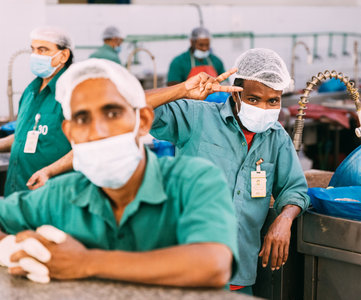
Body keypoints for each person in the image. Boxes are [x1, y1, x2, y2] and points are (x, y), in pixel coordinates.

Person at [0, 59, 238, 287]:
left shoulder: (193, 181)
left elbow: (213, 264)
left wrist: (85, 262)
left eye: (112, 114)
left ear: (143, 120)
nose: (98, 130)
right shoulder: (61, 195)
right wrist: (11, 247)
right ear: (70, 132)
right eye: (82, 119)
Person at [149, 48, 310, 295]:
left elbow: (294, 188)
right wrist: (182, 90)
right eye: (254, 99)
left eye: (273, 101)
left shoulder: (276, 138)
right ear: (235, 94)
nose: (264, 108)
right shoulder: (196, 117)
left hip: (238, 273)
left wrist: (285, 218)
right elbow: (129, 109)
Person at [0, 26, 74, 196]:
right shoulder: (30, 90)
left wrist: (49, 171)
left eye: (43, 50)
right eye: (33, 50)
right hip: (17, 192)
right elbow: (24, 134)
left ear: (63, 55)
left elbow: (87, 147)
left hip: (51, 195)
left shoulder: (73, 92)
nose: (35, 56)